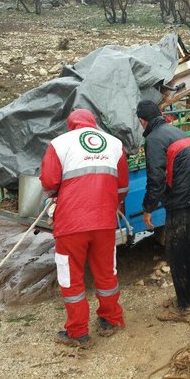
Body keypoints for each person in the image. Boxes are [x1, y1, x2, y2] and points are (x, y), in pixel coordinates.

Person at [40, 109, 129, 347]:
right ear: (93, 123)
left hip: (71, 224)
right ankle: (111, 319)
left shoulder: (59, 144)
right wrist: (112, 205)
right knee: (106, 272)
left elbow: (49, 182)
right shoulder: (114, 144)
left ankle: (78, 332)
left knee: (71, 278)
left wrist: (56, 195)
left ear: (71, 126)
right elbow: (122, 186)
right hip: (104, 222)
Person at [136, 100, 190, 322]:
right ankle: (189, 298)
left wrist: (147, 208)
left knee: (179, 255)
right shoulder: (176, 131)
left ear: (142, 121)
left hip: (181, 205)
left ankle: (182, 307)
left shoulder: (154, 140)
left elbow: (156, 180)